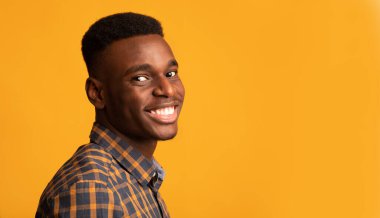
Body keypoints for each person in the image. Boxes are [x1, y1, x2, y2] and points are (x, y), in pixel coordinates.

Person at [36, 12, 185, 218]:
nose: (167, 89)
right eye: (141, 78)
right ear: (97, 93)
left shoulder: (135, 177)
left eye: (170, 74)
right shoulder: (93, 190)